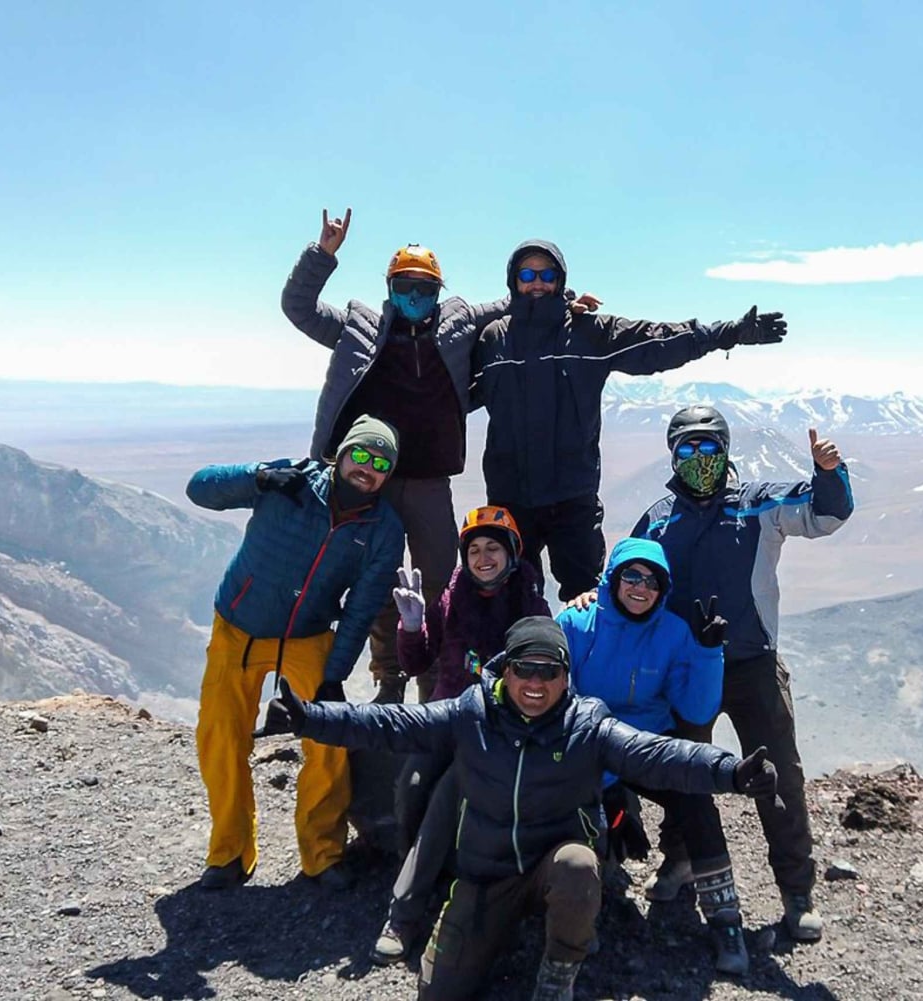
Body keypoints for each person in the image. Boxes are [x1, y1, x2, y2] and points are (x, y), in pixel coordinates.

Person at [257, 616, 780, 1001]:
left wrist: (731, 772)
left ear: (565, 676)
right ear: (503, 671)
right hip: (484, 878)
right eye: (524, 669)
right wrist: (309, 719)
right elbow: (390, 725)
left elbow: (661, 755)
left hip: (552, 869)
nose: (535, 683)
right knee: (437, 994)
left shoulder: (588, 726)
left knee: (578, 868)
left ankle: (559, 970)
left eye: (549, 671)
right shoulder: (471, 714)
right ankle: (475, 931)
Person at [281, 210, 596, 702]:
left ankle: (435, 681)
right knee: (377, 582)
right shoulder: (357, 328)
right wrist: (323, 254)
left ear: (438, 290)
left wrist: (565, 301)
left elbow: (512, 304)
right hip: (371, 481)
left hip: (429, 480)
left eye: (425, 288)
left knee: (439, 585)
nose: (415, 296)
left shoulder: (458, 323)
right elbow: (298, 307)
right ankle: (389, 679)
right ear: (389, 287)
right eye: (404, 286)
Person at [631, 405, 853, 942]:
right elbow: (628, 576)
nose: (699, 459)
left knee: (781, 778)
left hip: (753, 663)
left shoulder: (759, 506)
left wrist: (829, 475)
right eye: (688, 449)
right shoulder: (658, 519)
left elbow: (825, 515)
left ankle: (796, 892)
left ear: (726, 451)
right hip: (687, 670)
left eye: (709, 448)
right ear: (673, 454)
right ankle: (680, 862)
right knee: (681, 772)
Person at [470, 239, 787, 601]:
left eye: (547, 274)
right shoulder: (494, 340)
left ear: (561, 280)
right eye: (528, 274)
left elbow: (656, 342)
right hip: (512, 498)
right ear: (513, 281)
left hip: (572, 499)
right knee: (512, 598)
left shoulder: (589, 332)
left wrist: (724, 333)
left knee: (588, 601)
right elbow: (450, 390)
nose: (537, 282)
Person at [185, 415, 404, 890]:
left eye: (380, 463)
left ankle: (322, 855)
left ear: (388, 475)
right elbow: (198, 489)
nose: (368, 468)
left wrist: (334, 673)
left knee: (329, 743)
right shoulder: (292, 482)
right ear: (342, 453)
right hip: (238, 627)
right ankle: (228, 854)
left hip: (308, 636)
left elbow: (361, 608)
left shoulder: (384, 528)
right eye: (361, 454)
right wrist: (257, 477)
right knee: (221, 739)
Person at [555, 537, 751, 973]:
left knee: (696, 801)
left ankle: (726, 921)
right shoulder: (576, 621)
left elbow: (696, 710)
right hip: (591, 742)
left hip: (648, 743)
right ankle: (580, 919)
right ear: (613, 579)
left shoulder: (675, 633)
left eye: (652, 581)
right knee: (589, 819)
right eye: (632, 576)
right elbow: (557, 696)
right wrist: (605, 783)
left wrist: (706, 654)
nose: (641, 588)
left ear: (664, 589)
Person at [370, 506, 550, 964]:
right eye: (474, 549)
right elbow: (417, 662)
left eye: (493, 548)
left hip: (502, 730)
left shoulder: (529, 600)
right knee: (411, 788)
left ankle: (406, 911)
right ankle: (415, 876)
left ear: (511, 554)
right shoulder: (453, 595)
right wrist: (411, 626)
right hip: (448, 718)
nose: (483, 557)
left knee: (447, 801)